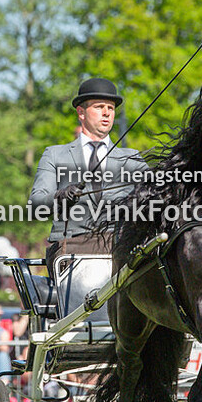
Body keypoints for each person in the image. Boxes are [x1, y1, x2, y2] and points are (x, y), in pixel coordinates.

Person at [29, 77, 147, 275]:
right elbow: (36, 204)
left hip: (119, 246)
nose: (107, 113)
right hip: (72, 246)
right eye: (99, 107)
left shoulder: (131, 158)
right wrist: (60, 196)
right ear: (81, 112)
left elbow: (156, 196)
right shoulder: (55, 154)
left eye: (111, 108)